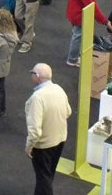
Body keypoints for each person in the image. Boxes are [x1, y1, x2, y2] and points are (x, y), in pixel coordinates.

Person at [25, 63, 71, 195]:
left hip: (43, 145)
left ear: (37, 76)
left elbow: (35, 130)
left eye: (32, 73)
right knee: (48, 174)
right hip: (60, 139)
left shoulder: (37, 98)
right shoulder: (59, 89)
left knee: (43, 178)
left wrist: (29, 146)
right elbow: (68, 111)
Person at [66, 0, 111, 67]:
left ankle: (74, 56)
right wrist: (105, 21)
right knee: (77, 37)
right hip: (79, 16)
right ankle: (72, 59)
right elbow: (92, 7)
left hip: (72, 11)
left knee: (76, 35)